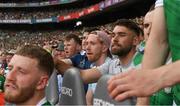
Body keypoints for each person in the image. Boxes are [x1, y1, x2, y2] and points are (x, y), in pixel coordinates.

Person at [108, 0, 180, 105]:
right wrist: (142, 100)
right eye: (146, 26)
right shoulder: (138, 61)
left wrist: (159, 76)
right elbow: (158, 40)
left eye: (121, 34)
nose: (150, 30)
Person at [55, 19, 140, 90]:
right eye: (113, 35)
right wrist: (55, 62)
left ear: (135, 40)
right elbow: (83, 76)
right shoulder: (111, 65)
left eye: (122, 35)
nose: (115, 39)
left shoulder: (143, 64)